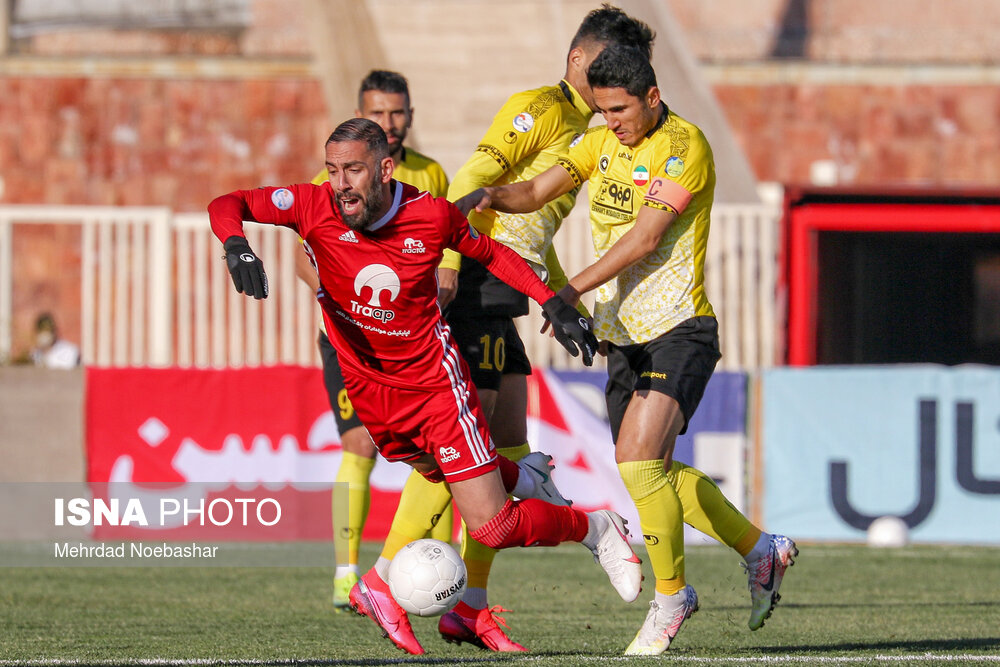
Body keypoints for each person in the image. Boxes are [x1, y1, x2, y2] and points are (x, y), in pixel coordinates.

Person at [208, 117, 643, 656]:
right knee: (444, 477)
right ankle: (524, 477)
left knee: (493, 527)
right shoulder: (310, 204)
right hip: (374, 394)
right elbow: (227, 203)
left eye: (354, 170)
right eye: (333, 170)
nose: (340, 183)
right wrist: (236, 246)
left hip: (436, 390)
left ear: (385, 169)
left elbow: (493, 254)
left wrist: (552, 298)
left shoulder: (428, 215)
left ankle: (594, 528)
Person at [455, 44, 798, 656]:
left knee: (639, 464)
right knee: (651, 474)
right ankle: (759, 549)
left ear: (653, 98)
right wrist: (487, 198)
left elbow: (644, 238)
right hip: (623, 336)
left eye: (620, 110)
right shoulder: (599, 144)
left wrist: (564, 292)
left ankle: (672, 600)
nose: (610, 121)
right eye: (603, 110)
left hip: (680, 326)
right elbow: (534, 192)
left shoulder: (684, 147)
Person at [378, 5, 655, 652]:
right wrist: (447, 261)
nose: (629, 79)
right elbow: (474, 179)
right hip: (470, 282)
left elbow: (533, 234)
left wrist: (559, 296)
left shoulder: (593, 134)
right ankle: (384, 581)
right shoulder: (538, 108)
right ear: (581, 62)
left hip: (508, 291)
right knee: (461, 456)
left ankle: (468, 604)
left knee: (503, 447)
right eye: (619, 65)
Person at [292, 69, 454, 611]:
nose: (390, 123)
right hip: (350, 343)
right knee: (360, 443)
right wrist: (349, 306)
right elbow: (302, 257)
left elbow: (444, 259)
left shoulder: (431, 175)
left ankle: (441, 568)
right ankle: (345, 574)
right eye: (378, 113)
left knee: (440, 450)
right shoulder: (330, 180)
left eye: (398, 112)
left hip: (410, 345)